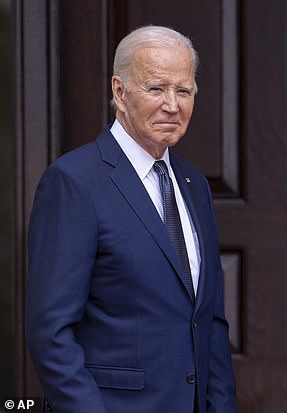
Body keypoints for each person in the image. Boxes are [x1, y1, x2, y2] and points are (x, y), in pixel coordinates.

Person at [25, 25, 237, 413]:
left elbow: (210, 325)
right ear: (119, 92)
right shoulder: (74, 182)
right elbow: (50, 333)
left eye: (184, 90)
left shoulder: (194, 184)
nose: (173, 105)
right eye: (156, 88)